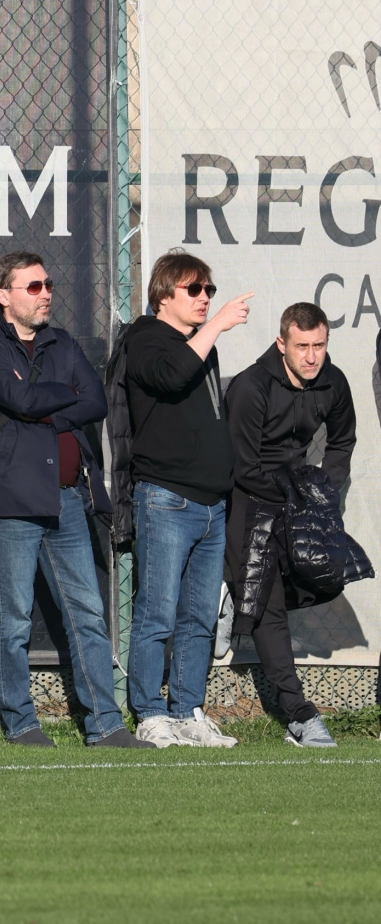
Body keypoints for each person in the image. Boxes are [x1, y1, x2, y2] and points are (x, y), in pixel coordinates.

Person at [0, 251, 150, 748]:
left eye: (47, 284)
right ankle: (21, 724)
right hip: (11, 503)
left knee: (87, 614)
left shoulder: (62, 342)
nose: (45, 293)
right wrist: (59, 395)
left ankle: (105, 725)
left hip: (67, 499)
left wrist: (45, 405)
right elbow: (20, 401)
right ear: (4, 296)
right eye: (33, 286)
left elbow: (94, 401)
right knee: (13, 620)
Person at [122, 249, 251, 747]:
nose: (204, 298)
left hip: (211, 504)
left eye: (208, 290)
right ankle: (150, 713)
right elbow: (169, 376)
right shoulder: (144, 337)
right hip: (166, 499)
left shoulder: (201, 345)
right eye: (193, 289)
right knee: (157, 612)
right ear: (163, 295)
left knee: (199, 617)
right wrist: (215, 325)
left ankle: (188, 710)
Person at [225, 302, 355, 748]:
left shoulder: (332, 381)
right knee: (268, 607)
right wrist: (300, 494)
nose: (312, 356)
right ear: (282, 343)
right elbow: (243, 468)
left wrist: (323, 488)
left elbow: (342, 440)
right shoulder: (251, 386)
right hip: (250, 499)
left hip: (298, 498)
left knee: (329, 575)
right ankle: (301, 715)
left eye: (319, 345)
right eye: (302, 346)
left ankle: (237, 598)